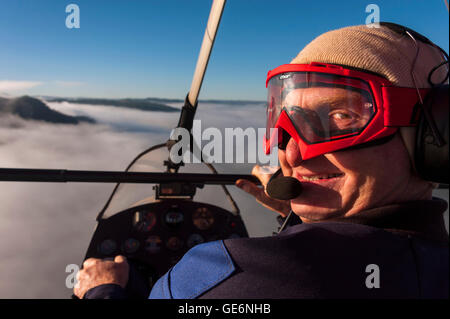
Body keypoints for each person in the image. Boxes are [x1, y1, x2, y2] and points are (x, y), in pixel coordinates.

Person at [74, 22, 449, 299]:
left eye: (342, 116)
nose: (292, 152)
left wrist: (103, 290)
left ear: (435, 138)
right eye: (288, 122)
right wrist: (299, 218)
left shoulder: (227, 275)